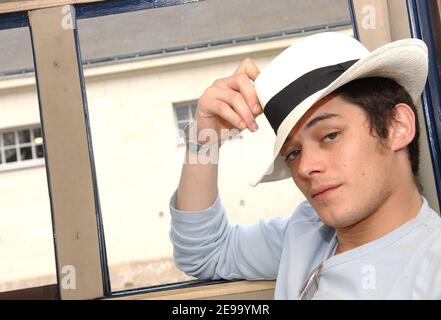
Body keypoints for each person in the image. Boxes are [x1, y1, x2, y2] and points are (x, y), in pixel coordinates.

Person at [168, 32, 441, 299]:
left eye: (330, 135)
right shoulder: (306, 231)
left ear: (397, 127)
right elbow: (204, 252)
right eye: (293, 153)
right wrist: (204, 140)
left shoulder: (431, 270)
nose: (305, 167)